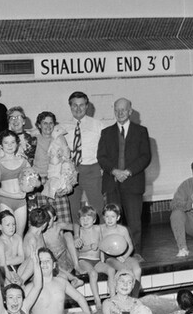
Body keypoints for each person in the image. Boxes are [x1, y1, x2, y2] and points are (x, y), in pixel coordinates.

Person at [96, 97, 151, 256]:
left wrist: (127, 172)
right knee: (112, 222)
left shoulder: (141, 131)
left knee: (134, 222)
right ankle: (113, 253)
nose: (120, 113)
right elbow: (101, 157)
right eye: (117, 110)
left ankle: (136, 253)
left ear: (130, 111)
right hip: (112, 183)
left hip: (133, 183)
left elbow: (145, 157)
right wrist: (114, 171)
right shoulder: (106, 133)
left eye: (123, 109)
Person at [28, 248, 92, 314]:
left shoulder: (62, 283)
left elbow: (80, 298)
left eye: (47, 261)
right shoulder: (30, 287)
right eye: (40, 261)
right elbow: (22, 312)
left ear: (54, 265)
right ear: (36, 265)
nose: (44, 264)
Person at [61, 91, 105, 227]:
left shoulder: (98, 125)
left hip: (92, 169)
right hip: (71, 171)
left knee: (98, 206)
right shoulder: (63, 127)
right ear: (70, 107)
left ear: (87, 106)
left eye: (81, 105)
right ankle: (77, 239)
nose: (78, 109)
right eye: (74, 105)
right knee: (71, 208)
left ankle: (102, 238)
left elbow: (106, 149)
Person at [0, 130, 31, 237]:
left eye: (12, 142)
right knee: (7, 235)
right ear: (1, 146)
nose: (9, 145)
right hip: (6, 201)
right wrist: (15, 195)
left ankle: (19, 254)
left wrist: (28, 188)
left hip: (21, 202)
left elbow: (33, 181)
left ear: (17, 144)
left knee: (19, 235)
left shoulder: (24, 162)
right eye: (6, 143)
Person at [97, 202, 142, 286]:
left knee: (137, 270)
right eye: (107, 217)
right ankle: (125, 293)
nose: (110, 219)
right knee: (125, 270)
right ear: (103, 217)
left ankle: (135, 296)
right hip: (109, 258)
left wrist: (124, 257)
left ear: (118, 217)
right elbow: (101, 247)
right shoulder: (100, 229)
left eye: (113, 216)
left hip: (123, 255)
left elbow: (131, 246)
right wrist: (102, 261)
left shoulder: (122, 230)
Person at [72, 205, 103, 311]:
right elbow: (79, 249)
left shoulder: (98, 229)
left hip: (97, 260)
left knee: (111, 270)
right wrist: (90, 247)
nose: (85, 221)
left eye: (88, 218)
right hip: (83, 260)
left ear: (94, 220)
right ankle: (97, 299)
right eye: (82, 218)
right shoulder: (79, 231)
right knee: (93, 273)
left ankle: (113, 296)